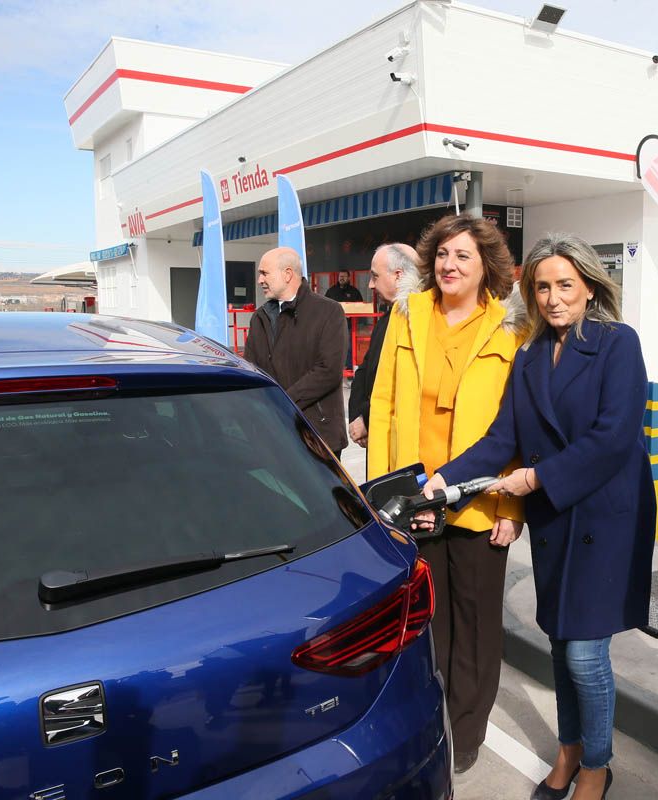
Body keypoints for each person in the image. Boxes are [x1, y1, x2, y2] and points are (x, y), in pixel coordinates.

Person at [422, 233, 655, 800]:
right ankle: (570, 750)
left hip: (606, 515)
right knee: (559, 643)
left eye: (565, 285)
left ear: (590, 286)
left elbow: (614, 437)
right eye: (543, 286)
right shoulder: (527, 355)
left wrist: (534, 479)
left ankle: (597, 765)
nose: (553, 298)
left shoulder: (618, 342)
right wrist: (445, 478)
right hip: (557, 517)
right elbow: (503, 435)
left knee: (583, 651)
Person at [367, 214, 527, 774]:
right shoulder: (407, 314)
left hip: (481, 496)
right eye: (442, 254)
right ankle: (430, 716)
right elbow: (383, 403)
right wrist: (386, 494)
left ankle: (466, 731)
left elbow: (518, 427)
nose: (449, 265)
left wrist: (512, 506)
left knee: (477, 621)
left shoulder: (509, 327)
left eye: (463, 256)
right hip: (416, 496)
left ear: (486, 265)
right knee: (430, 619)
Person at [244, 247, 348, 456]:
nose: (259, 280)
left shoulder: (329, 311)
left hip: (318, 436)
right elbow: (251, 371)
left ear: (288, 274)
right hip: (273, 433)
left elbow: (328, 371)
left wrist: (282, 402)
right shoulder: (260, 318)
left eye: (264, 273)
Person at [347, 243, 416, 449]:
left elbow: (399, 383)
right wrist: (357, 418)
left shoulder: (418, 322)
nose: (370, 285)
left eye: (375, 276)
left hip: (398, 440)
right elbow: (365, 370)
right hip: (374, 432)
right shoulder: (387, 319)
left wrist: (366, 420)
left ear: (398, 275)